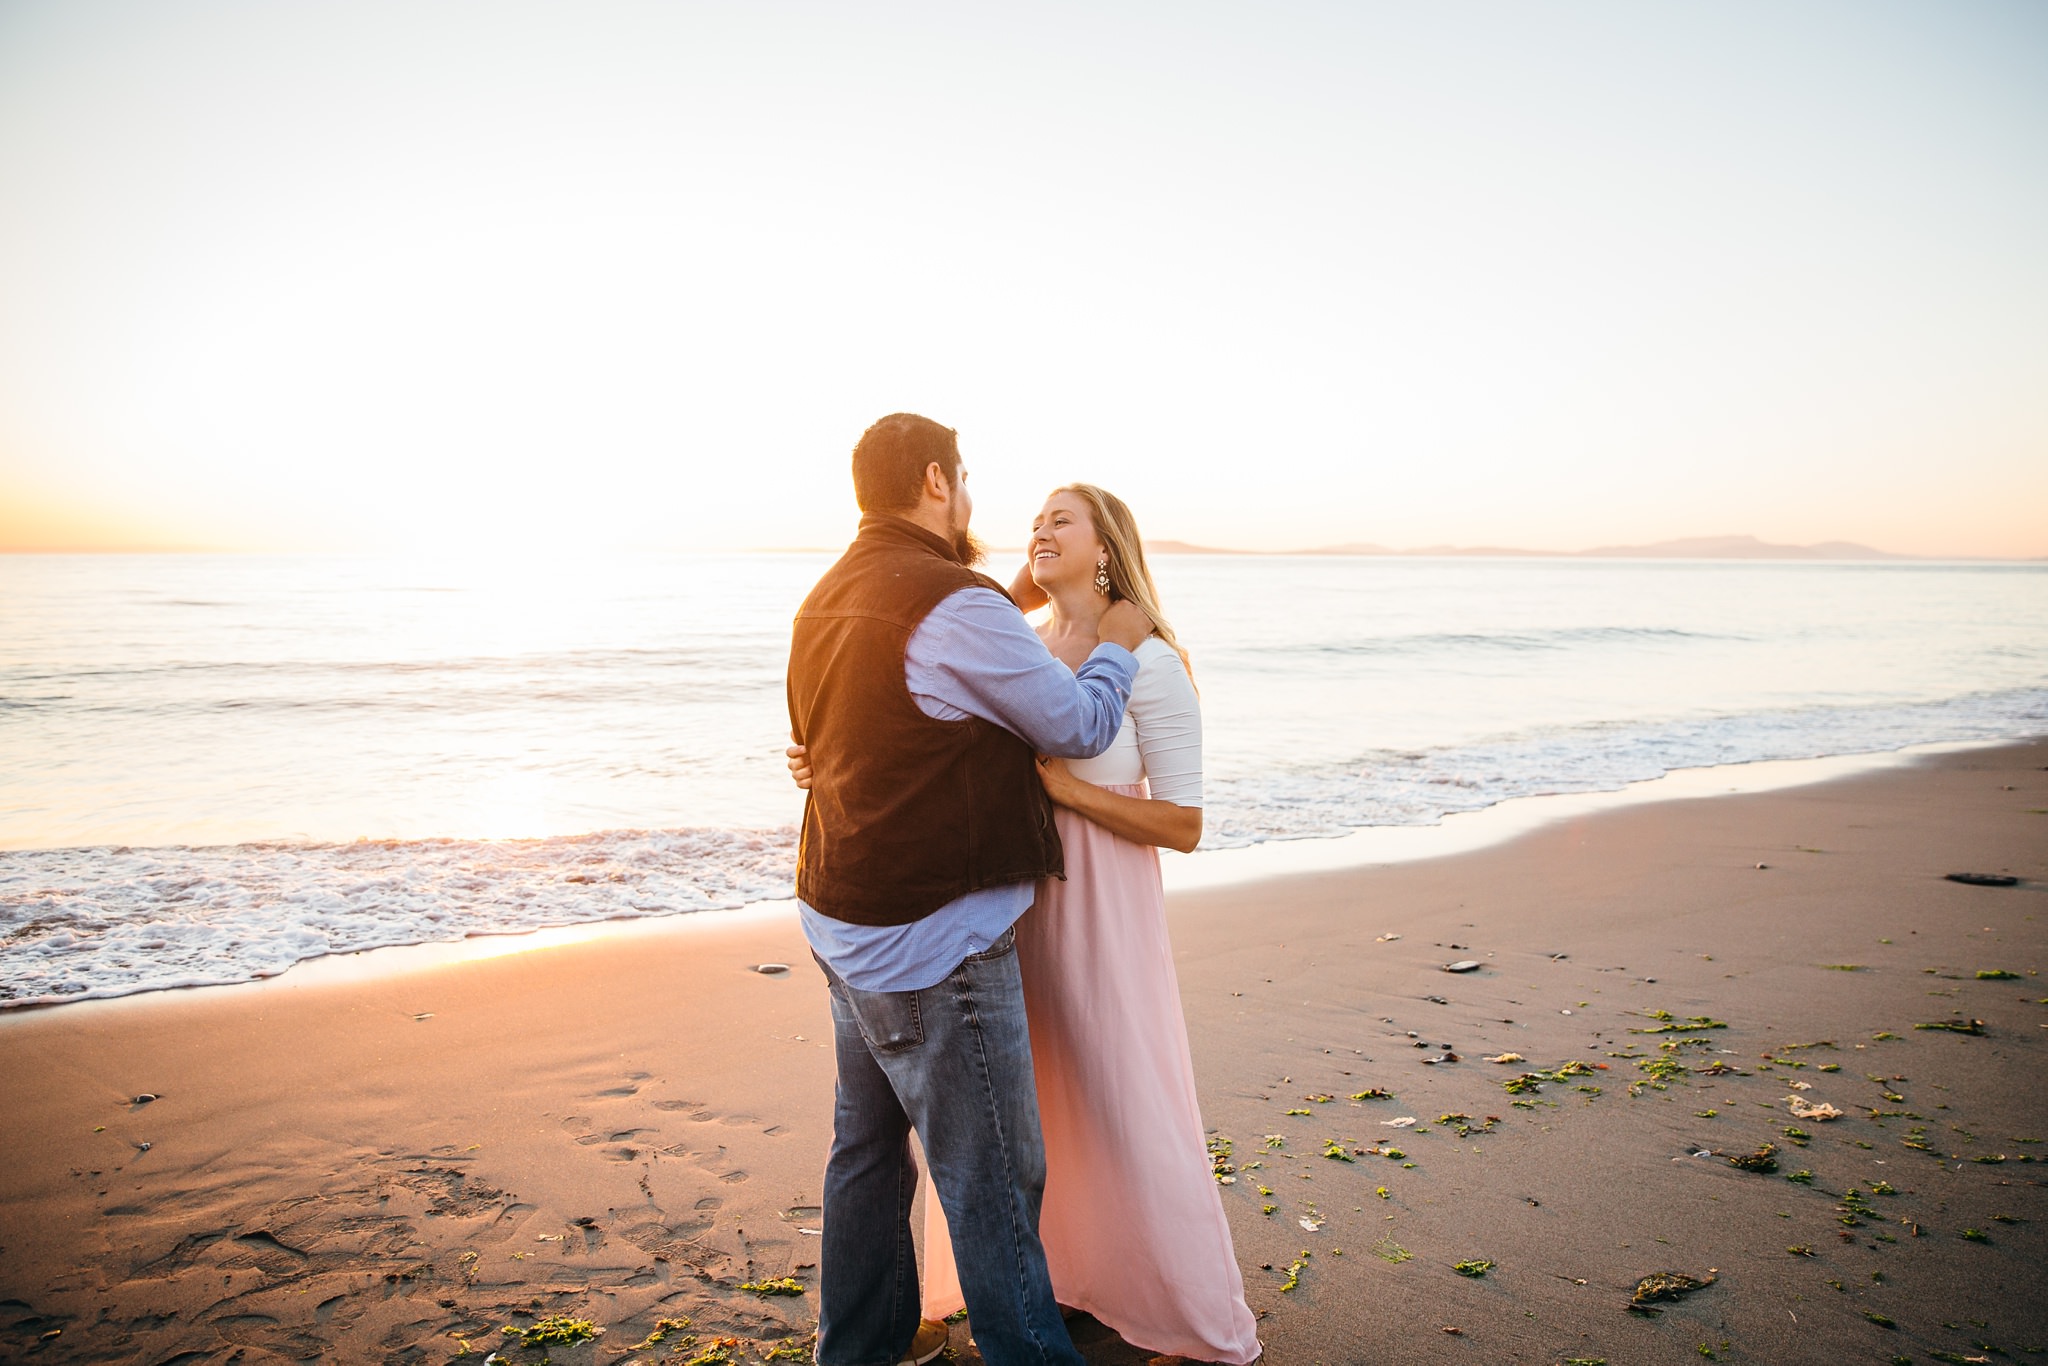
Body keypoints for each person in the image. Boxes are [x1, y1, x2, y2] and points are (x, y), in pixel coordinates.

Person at [793, 484, 1262, 1366]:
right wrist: (824, 752)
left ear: (1107, 547)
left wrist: (1069, 793)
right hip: (1016, 917)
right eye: (1036, 520)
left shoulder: (1152, 662)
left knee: (1127, 1102)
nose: (1040, 530)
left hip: (1103, 918)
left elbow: (1187, 824)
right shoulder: (1030, 647)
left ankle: (1198, 1319)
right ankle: (1074, 1283)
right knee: (1037, 1115)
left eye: (1062, 521)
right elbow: (921, 716)